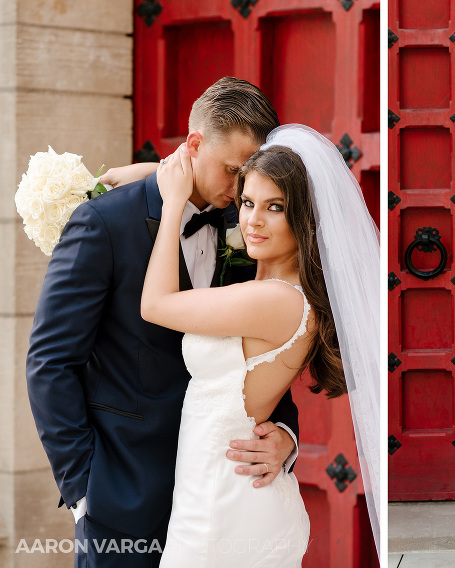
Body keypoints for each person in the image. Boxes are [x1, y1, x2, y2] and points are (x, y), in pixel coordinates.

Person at [26, 77, 300, 567]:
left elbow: (262, 351)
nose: (242, 194)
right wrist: (84, 489)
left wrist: (285, 435)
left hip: (219, 494)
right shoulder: (104, 224)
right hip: (122, 498)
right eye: (233, 172)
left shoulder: (246, 230)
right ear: (194, 145)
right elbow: (49, 362)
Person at [143, 123, 379, 566]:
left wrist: (173, 201)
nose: (252, 220)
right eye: (248, 203)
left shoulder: (274, 300)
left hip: (225, 505)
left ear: (304, 218)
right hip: (219, 489)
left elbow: (155, 304)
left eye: (275, 208)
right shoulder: (276, 285)